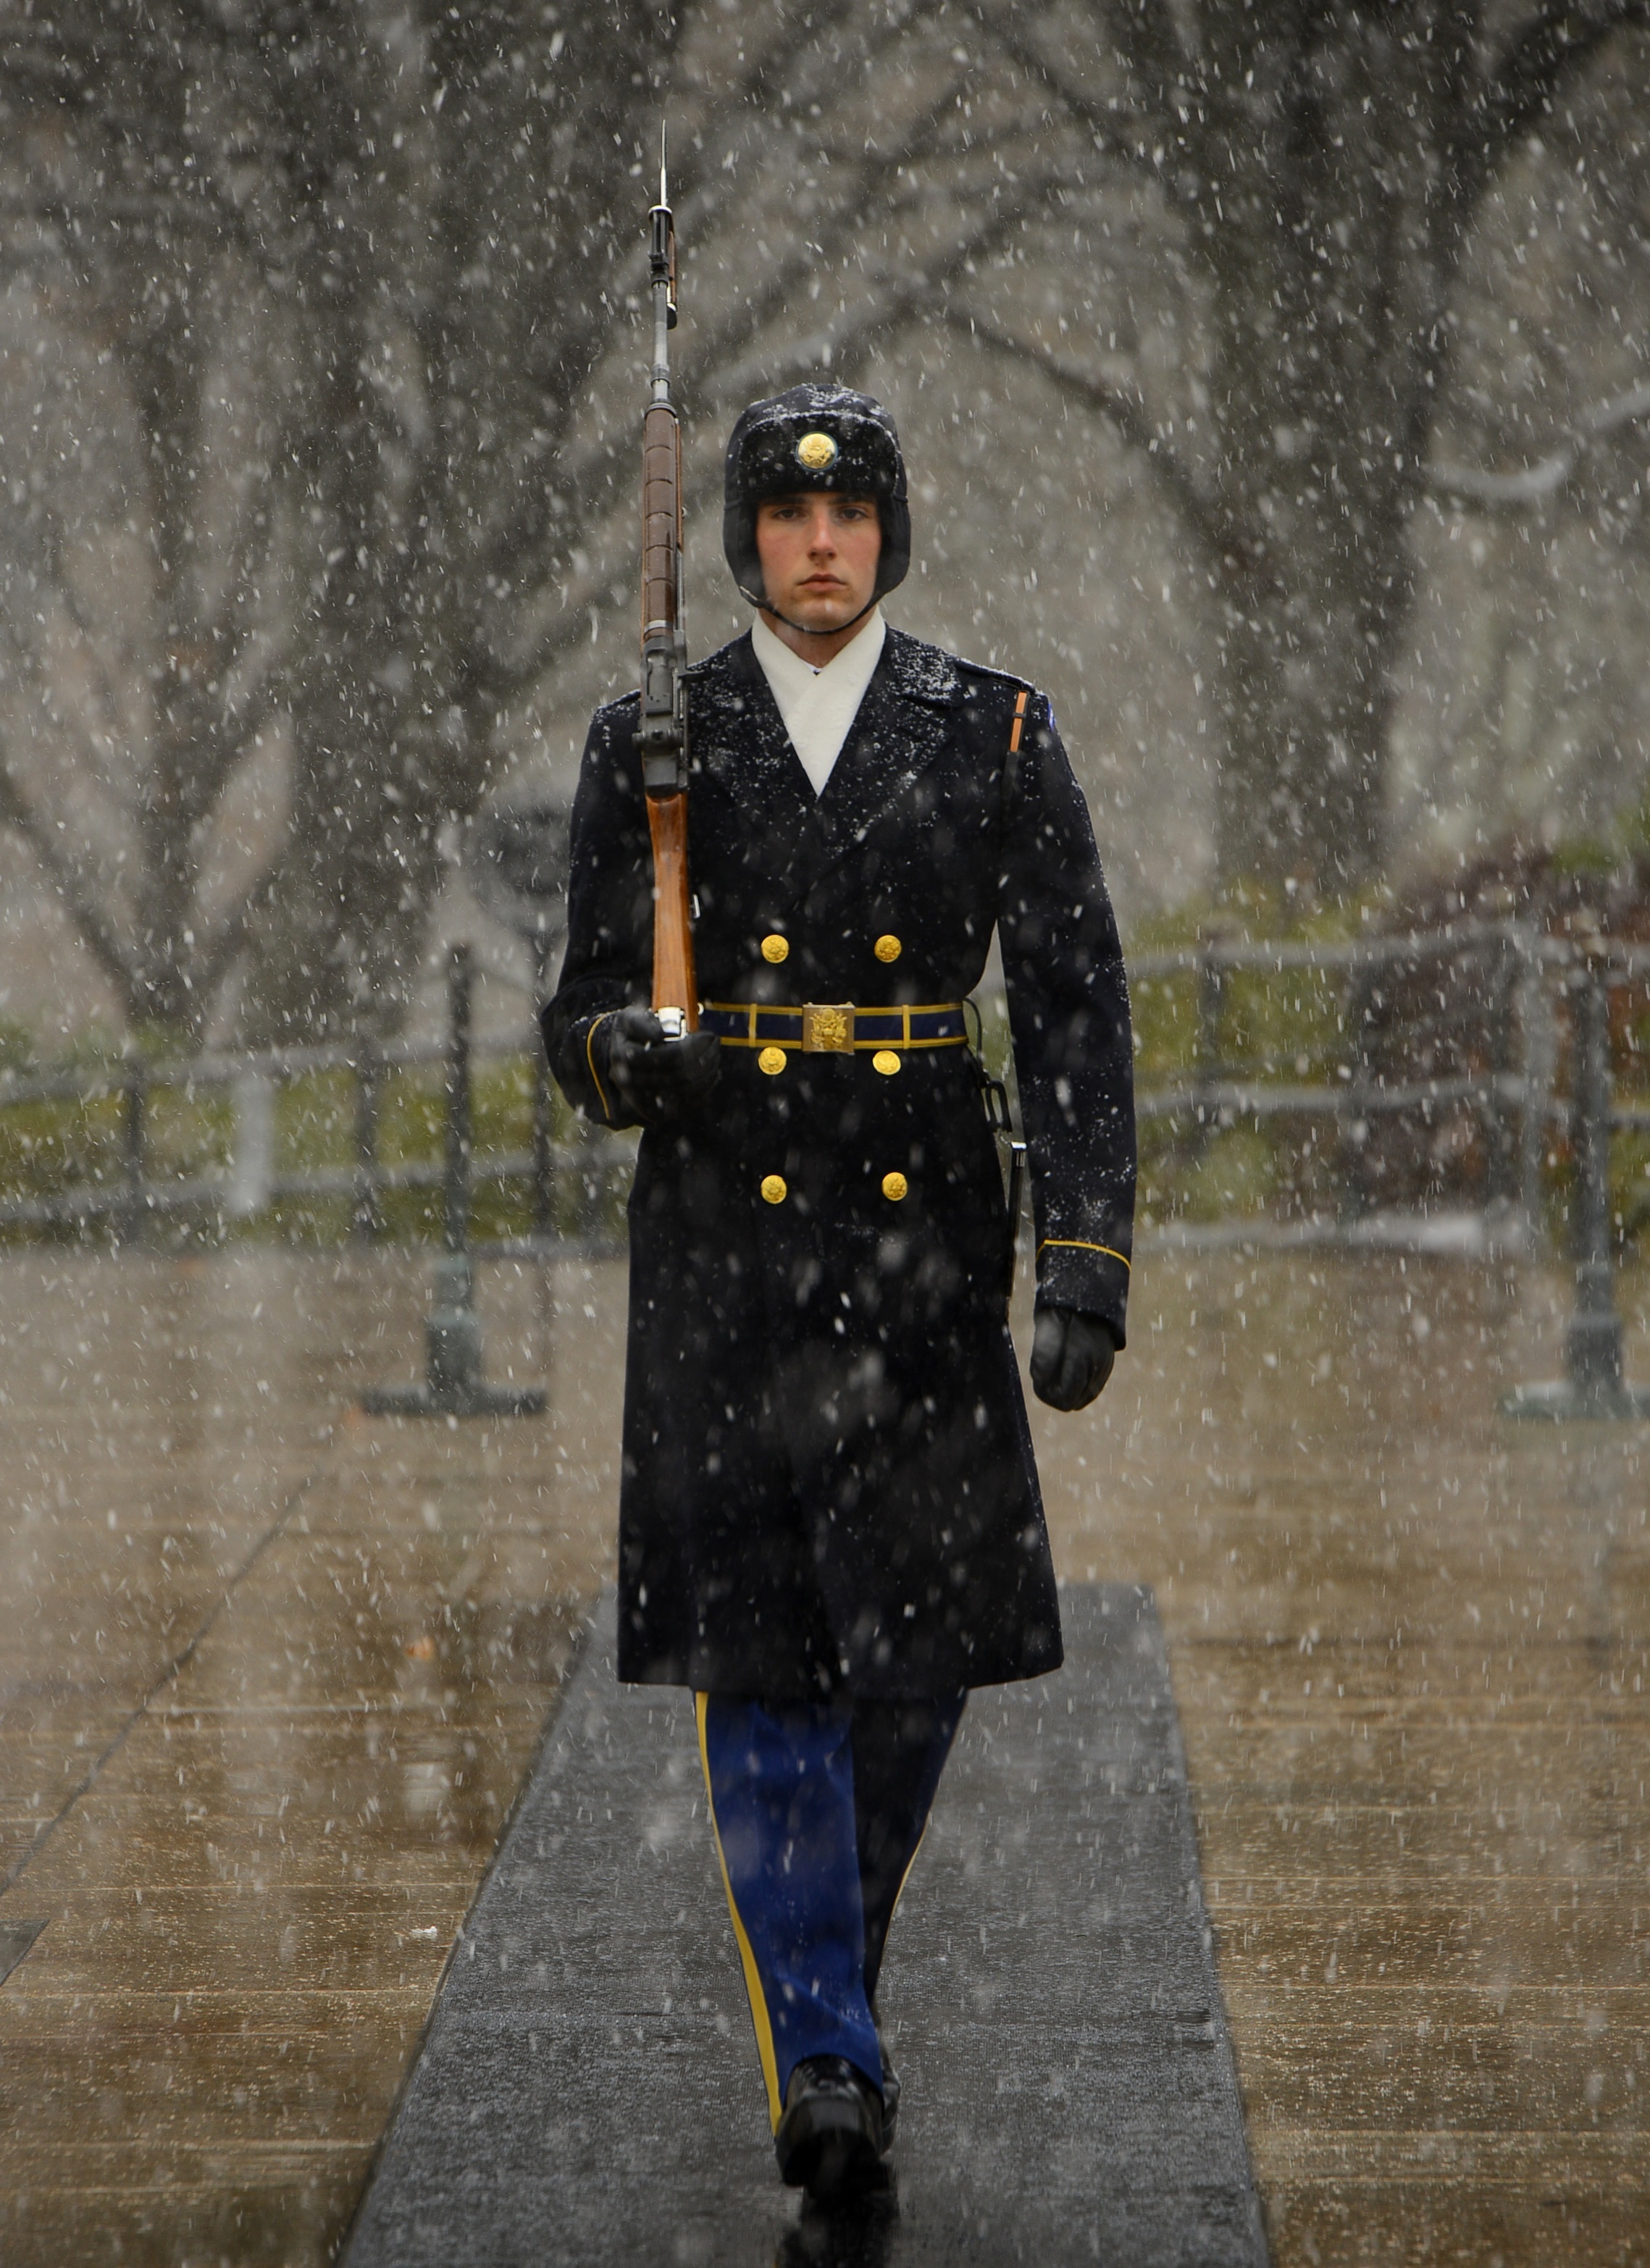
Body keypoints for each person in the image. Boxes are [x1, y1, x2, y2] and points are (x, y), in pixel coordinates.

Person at [543, 379, 1134, 2201]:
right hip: (726, 1240)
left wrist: (1085, 1260)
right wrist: (617, 1056)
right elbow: (574, 1007)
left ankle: (823, 2002)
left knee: (912, 1672)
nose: (820, 542)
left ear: (887, 532)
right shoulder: (660, 740)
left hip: (921, 1245)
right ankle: (824, 2052)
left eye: (851, 513)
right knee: (766, 1658)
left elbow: (1072, 1008)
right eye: (788, 516)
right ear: (740, 538)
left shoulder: (993, 733)